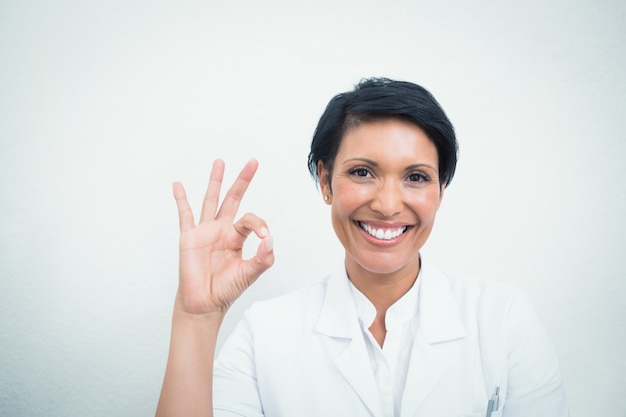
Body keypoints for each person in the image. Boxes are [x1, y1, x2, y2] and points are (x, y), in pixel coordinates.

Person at [155, 78, 569, 417]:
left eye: (417, 177)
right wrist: (197, 318)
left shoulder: (505, 321)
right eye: (362, 172)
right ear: (324, 181)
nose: (388, 205)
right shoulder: (264, 334)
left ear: (441, 190)